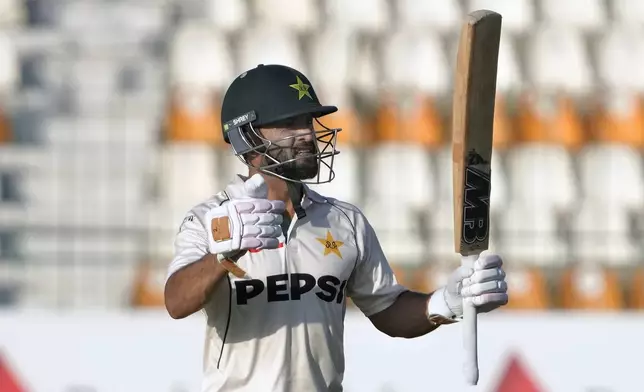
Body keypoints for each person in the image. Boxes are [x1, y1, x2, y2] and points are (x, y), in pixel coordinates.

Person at [164, 64, 509, 392]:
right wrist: (222, 253)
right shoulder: (208, 219)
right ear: (246, 138)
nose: (307, 136)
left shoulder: (344, 221)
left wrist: (445, 302)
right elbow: (177, 301)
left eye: (308, 122)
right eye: (288, 125)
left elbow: (387, 309)